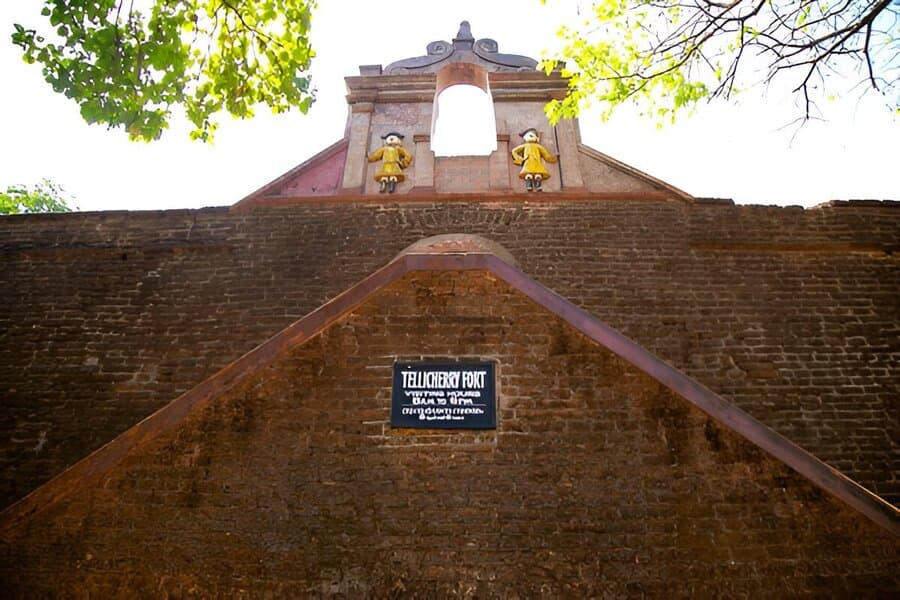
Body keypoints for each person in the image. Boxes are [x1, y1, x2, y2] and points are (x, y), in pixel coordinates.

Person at [511, 128, 557, 192]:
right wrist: (519, 159)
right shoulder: (525, 146)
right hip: (528, 163)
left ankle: (538, 186)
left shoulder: (538, 147)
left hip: (537, 163)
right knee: (528, 175)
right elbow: (514, 151)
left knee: (538, 175)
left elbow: (546, 155)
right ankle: (529, 185)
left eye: (532, 135)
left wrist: (553, 158)